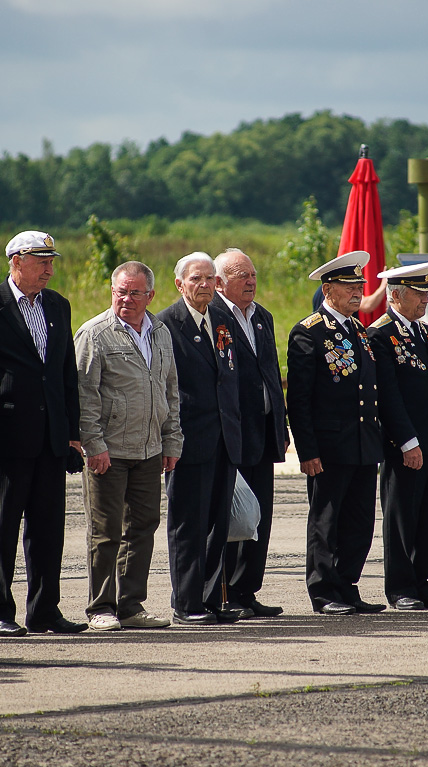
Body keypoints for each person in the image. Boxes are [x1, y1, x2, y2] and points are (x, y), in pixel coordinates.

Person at [0, 231, 86, 637]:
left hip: (51, 436)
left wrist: (72, 433)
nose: (49, 269)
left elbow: (65, 372)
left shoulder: (57, 305)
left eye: (52, 261)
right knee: (0, 530)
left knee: (48, 529)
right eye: (41, 261)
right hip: (5, 437)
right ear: (15, 260)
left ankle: (44, 611)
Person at [76, 262, 180, 632]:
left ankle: (131, 606)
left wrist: (172, 440)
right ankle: (100, 607)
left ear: (151, 296)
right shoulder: (95, 333)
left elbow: (170, 390)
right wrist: (93, 444)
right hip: (109, 451)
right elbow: (84, 396)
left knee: (143, 527)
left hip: (150, 449)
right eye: (121, 291)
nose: (127, 299)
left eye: (136, 292)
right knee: (106, 531)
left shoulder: (161, 332)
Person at [287, 251, 384, 615]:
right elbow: (299, 399)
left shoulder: (358, 329)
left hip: (362, 444)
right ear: (328, 290)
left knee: (359, 521)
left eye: (360, 285)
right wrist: (307, 450)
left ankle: (347, 585)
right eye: (349, 286)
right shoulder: (309, 331)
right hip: (329, 447)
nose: (358, 292)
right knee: (326, 521)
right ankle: (324, 590)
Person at [156, 253, 243, 625]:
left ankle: (210, 599)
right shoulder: (164, 325)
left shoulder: (222, 320)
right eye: (196, 279)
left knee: (216, 524)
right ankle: (186, 602)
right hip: (188, 440)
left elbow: (231, 378)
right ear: (180, 284)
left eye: (210, 278)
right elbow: (164, 387)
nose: (204, 285)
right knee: (188, 525)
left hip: (225, 438)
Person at [366, 262, 428, 610]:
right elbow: (387, 396)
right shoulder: (381, 334)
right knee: (403, 518)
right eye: (419, 293)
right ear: (395, 295)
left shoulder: (427, 333)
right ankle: (402, 586)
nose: (425, 299)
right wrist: (407, 442)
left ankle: (422, 580)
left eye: (426, 292)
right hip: (406, 446)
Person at [211, 248, 288, 618]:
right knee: (231, 516)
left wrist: (281, 425)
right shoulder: (213, 316)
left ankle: (248, 590)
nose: (251, 281)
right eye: (242, 275)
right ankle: (225, 594)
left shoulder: (263, 317)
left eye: (253, 274)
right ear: (220, 282)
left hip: (265, 430)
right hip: (233, 434)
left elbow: (271, 374)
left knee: (260, 516)